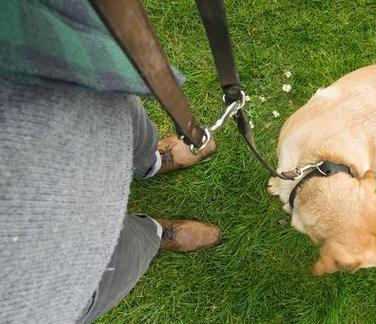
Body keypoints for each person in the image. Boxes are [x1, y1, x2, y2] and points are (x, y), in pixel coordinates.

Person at [0, 1, 220, 322]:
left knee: (112, 114)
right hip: (36, 296)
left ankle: (152, 160)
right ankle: (155, 233)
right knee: (102, 268)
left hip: (44, 84)